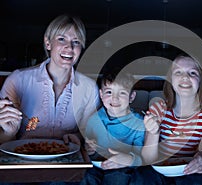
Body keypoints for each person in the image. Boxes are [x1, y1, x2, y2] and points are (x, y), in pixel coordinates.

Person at [0, 14, 100, 145]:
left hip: (68, 160)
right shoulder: (17, 80)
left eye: (76, 42)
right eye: (61, 39)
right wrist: (8, 132)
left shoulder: (90, 88)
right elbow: (3, 142)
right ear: (48, 43)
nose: (69, 47)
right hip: (24, 158)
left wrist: (79, 138)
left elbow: (88, 133)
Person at [130, 55, 202, 185]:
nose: (185, 77)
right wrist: (154, 132)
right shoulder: (159, 109)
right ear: (170, 80)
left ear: (201, 80)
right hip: (158, 169)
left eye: (192, 73)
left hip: (190, 169)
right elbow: (148, 159)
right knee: (142, 177)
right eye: (178, 72)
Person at [81, 72, 145, 185]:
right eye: (109, 92)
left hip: (124, 168)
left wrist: (128, 160)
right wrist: (89, 149)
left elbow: (141, 157)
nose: (115, 98)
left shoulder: (139, 124)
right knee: (85, 177)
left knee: (117, 178)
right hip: (97, 166)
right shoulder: (94, 119)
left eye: (122, 93)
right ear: (101, 94)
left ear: (131, 97)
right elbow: (89, 147)